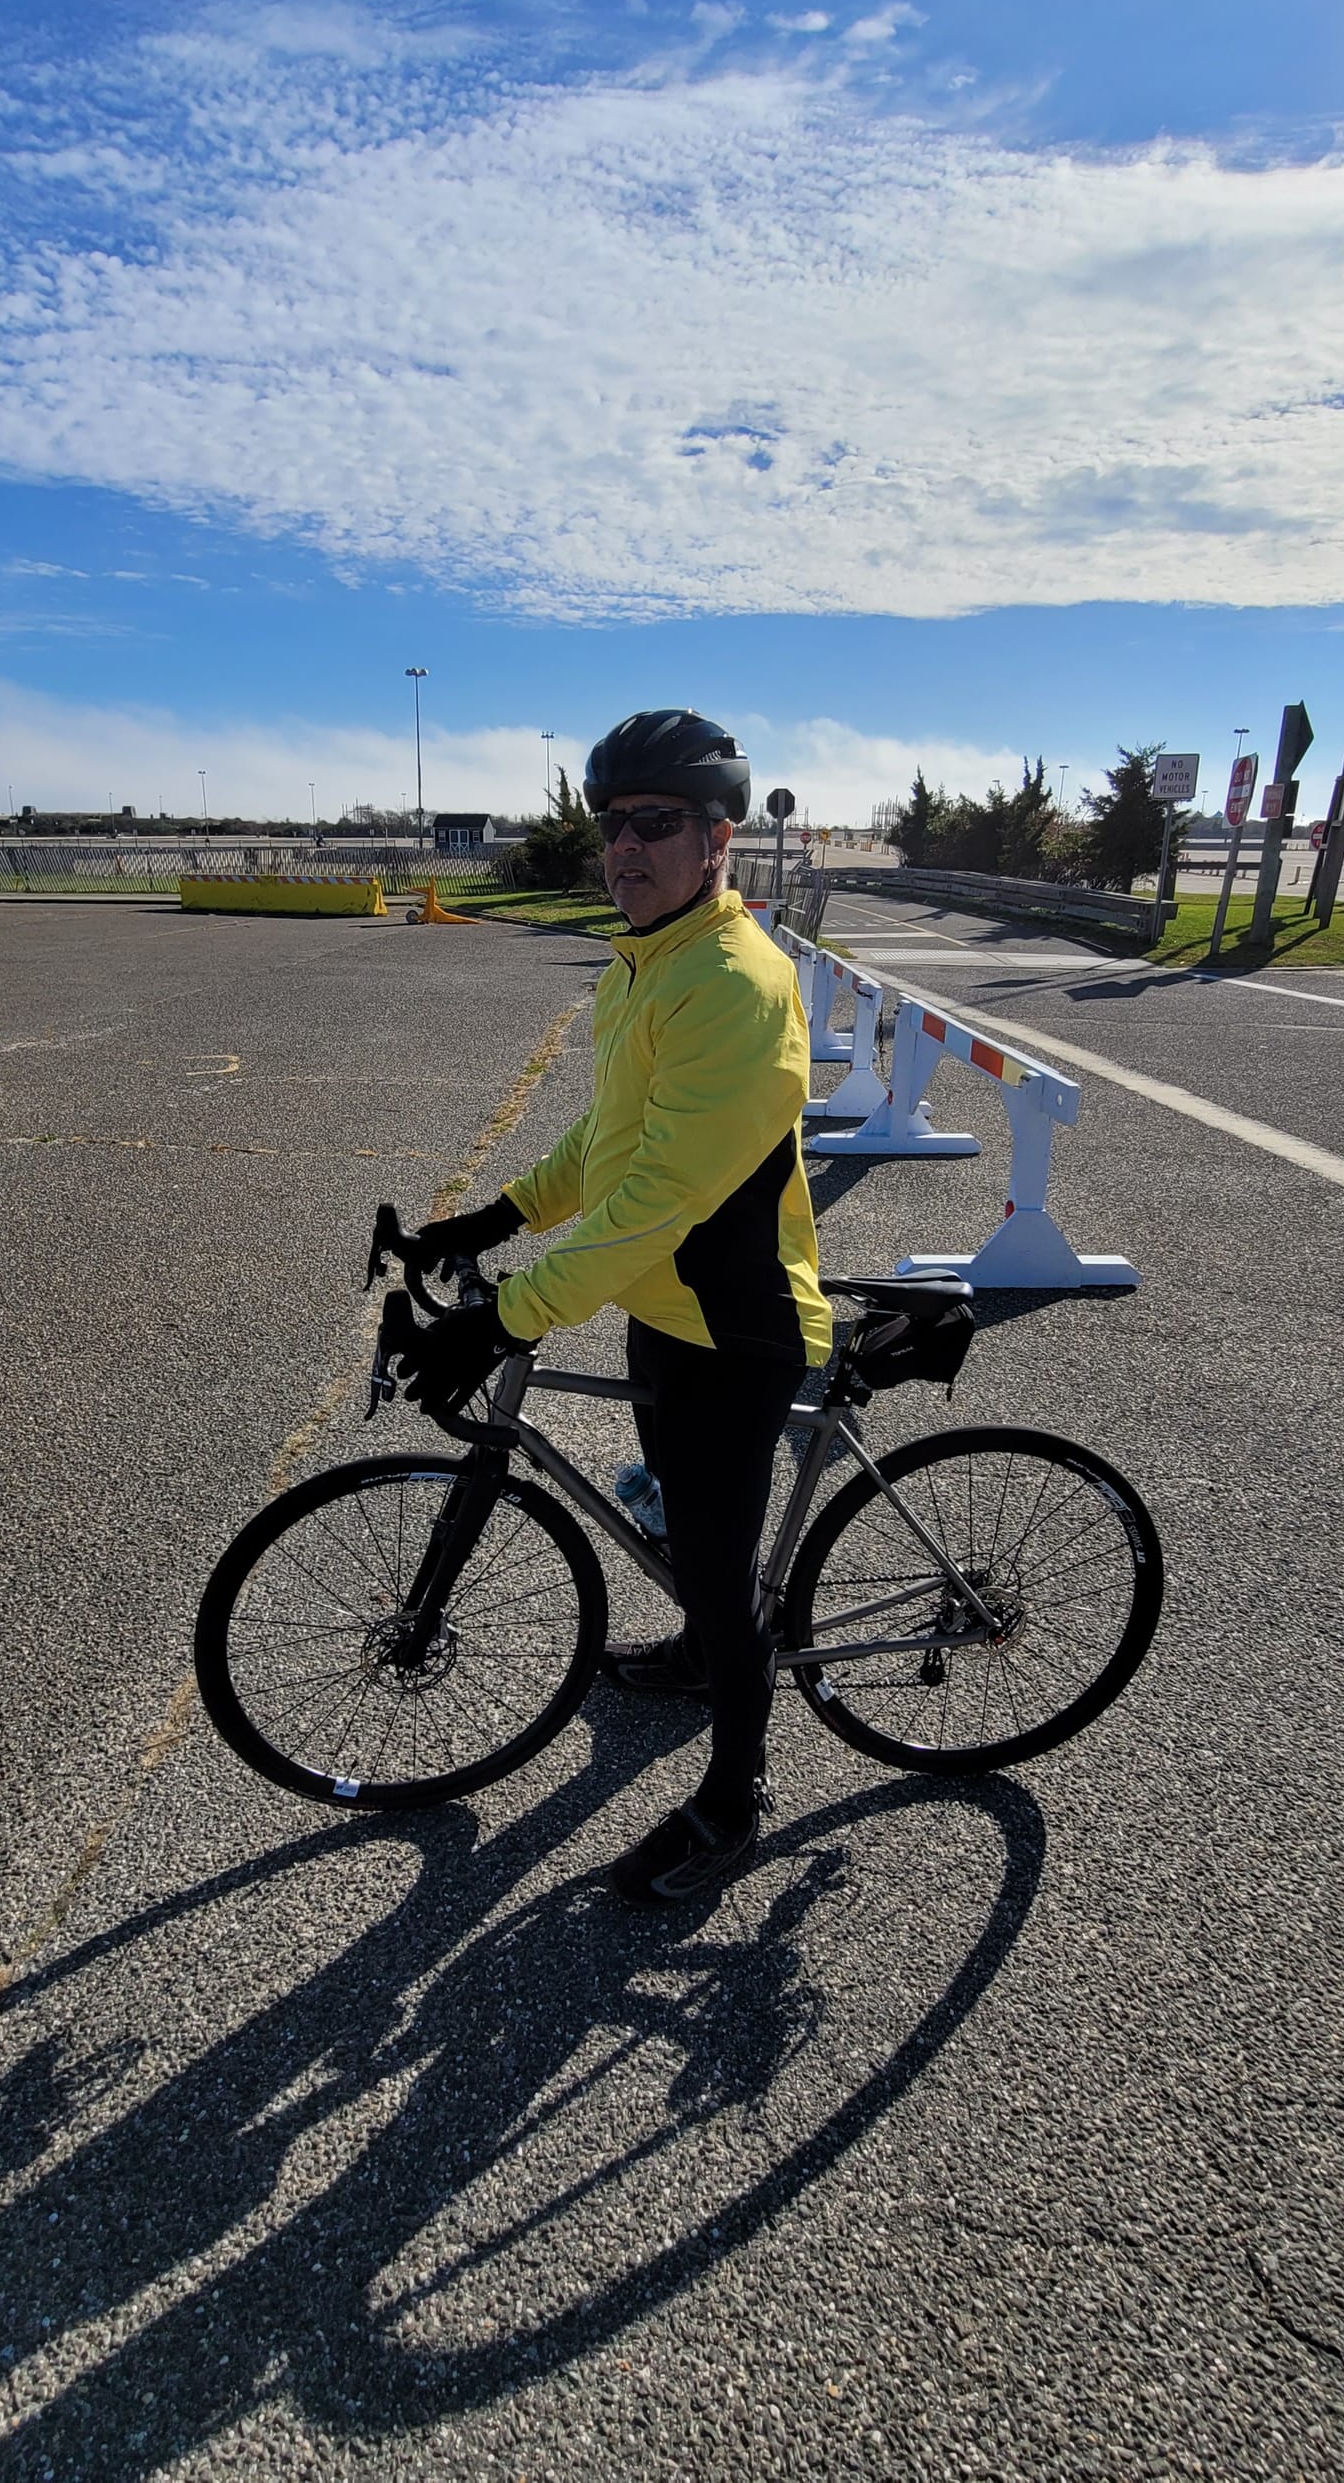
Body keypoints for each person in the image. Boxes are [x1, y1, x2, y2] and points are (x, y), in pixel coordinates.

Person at [397, 711, 832, 1905]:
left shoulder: (736, 985)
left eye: (656, 824)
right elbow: (607, 1139)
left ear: (715, 840)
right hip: (661, 1316)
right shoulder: (647, 964)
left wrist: (508, 1316)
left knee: (715, 1565)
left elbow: (657, 1200)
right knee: (695, 1563)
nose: (625, 848)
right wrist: (497, 1219)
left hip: (731, 1330)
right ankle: (698, 1650)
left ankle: (732, 1800)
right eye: (611, 826)